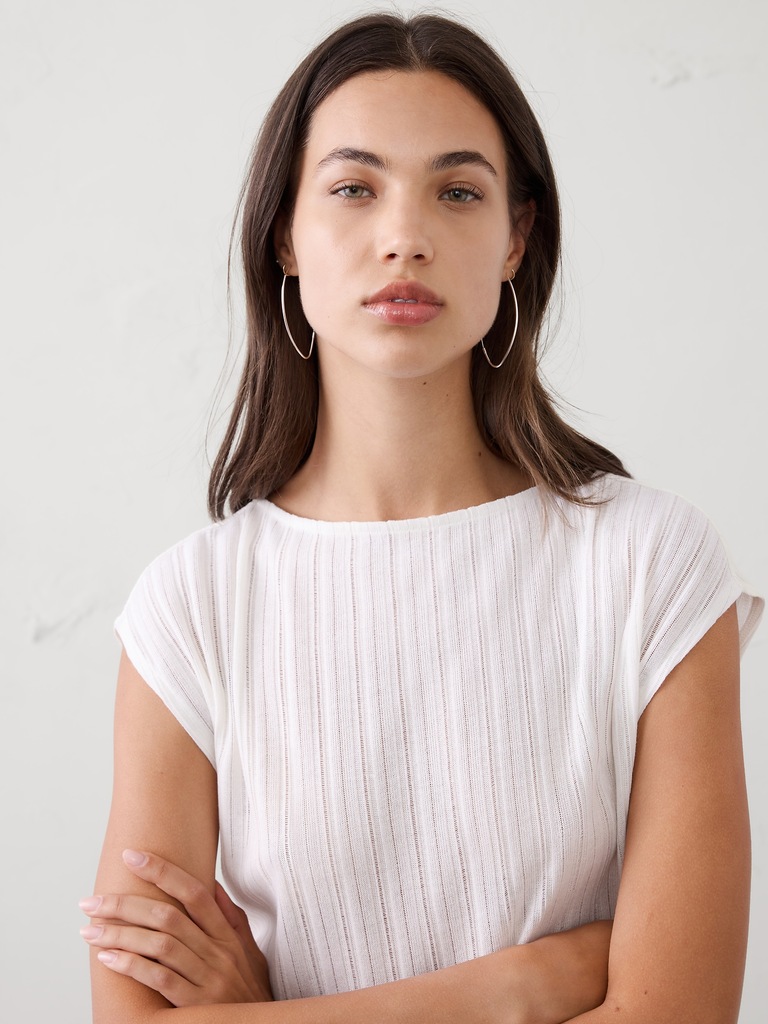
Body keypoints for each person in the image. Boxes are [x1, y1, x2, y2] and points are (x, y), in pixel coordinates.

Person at [80, 12, 762, 1024]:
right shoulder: (192, 608)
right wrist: (515, 987)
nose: (405, 235)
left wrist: (256, 1016)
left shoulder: (652, 566)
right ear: (285, 235)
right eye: (354, 188)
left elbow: (675, 1015)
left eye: (458, 191)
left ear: (516, 238)